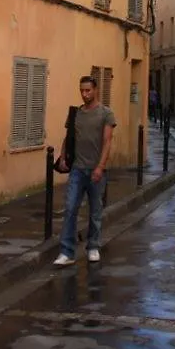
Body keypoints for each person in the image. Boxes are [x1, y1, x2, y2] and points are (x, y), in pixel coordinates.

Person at [53, 75, 116, 266]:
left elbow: (107, 141)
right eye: (81, 90)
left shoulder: (106, 113)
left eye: (88, 90)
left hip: (96, 170)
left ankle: (93, 246)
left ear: (95, 90)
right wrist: (63, 157)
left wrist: (100, 167)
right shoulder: (75, 113)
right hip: (77, 170)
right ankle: (67, 251)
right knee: (70, 208)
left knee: (95, 210)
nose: (84, 94)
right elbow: (68, 137)